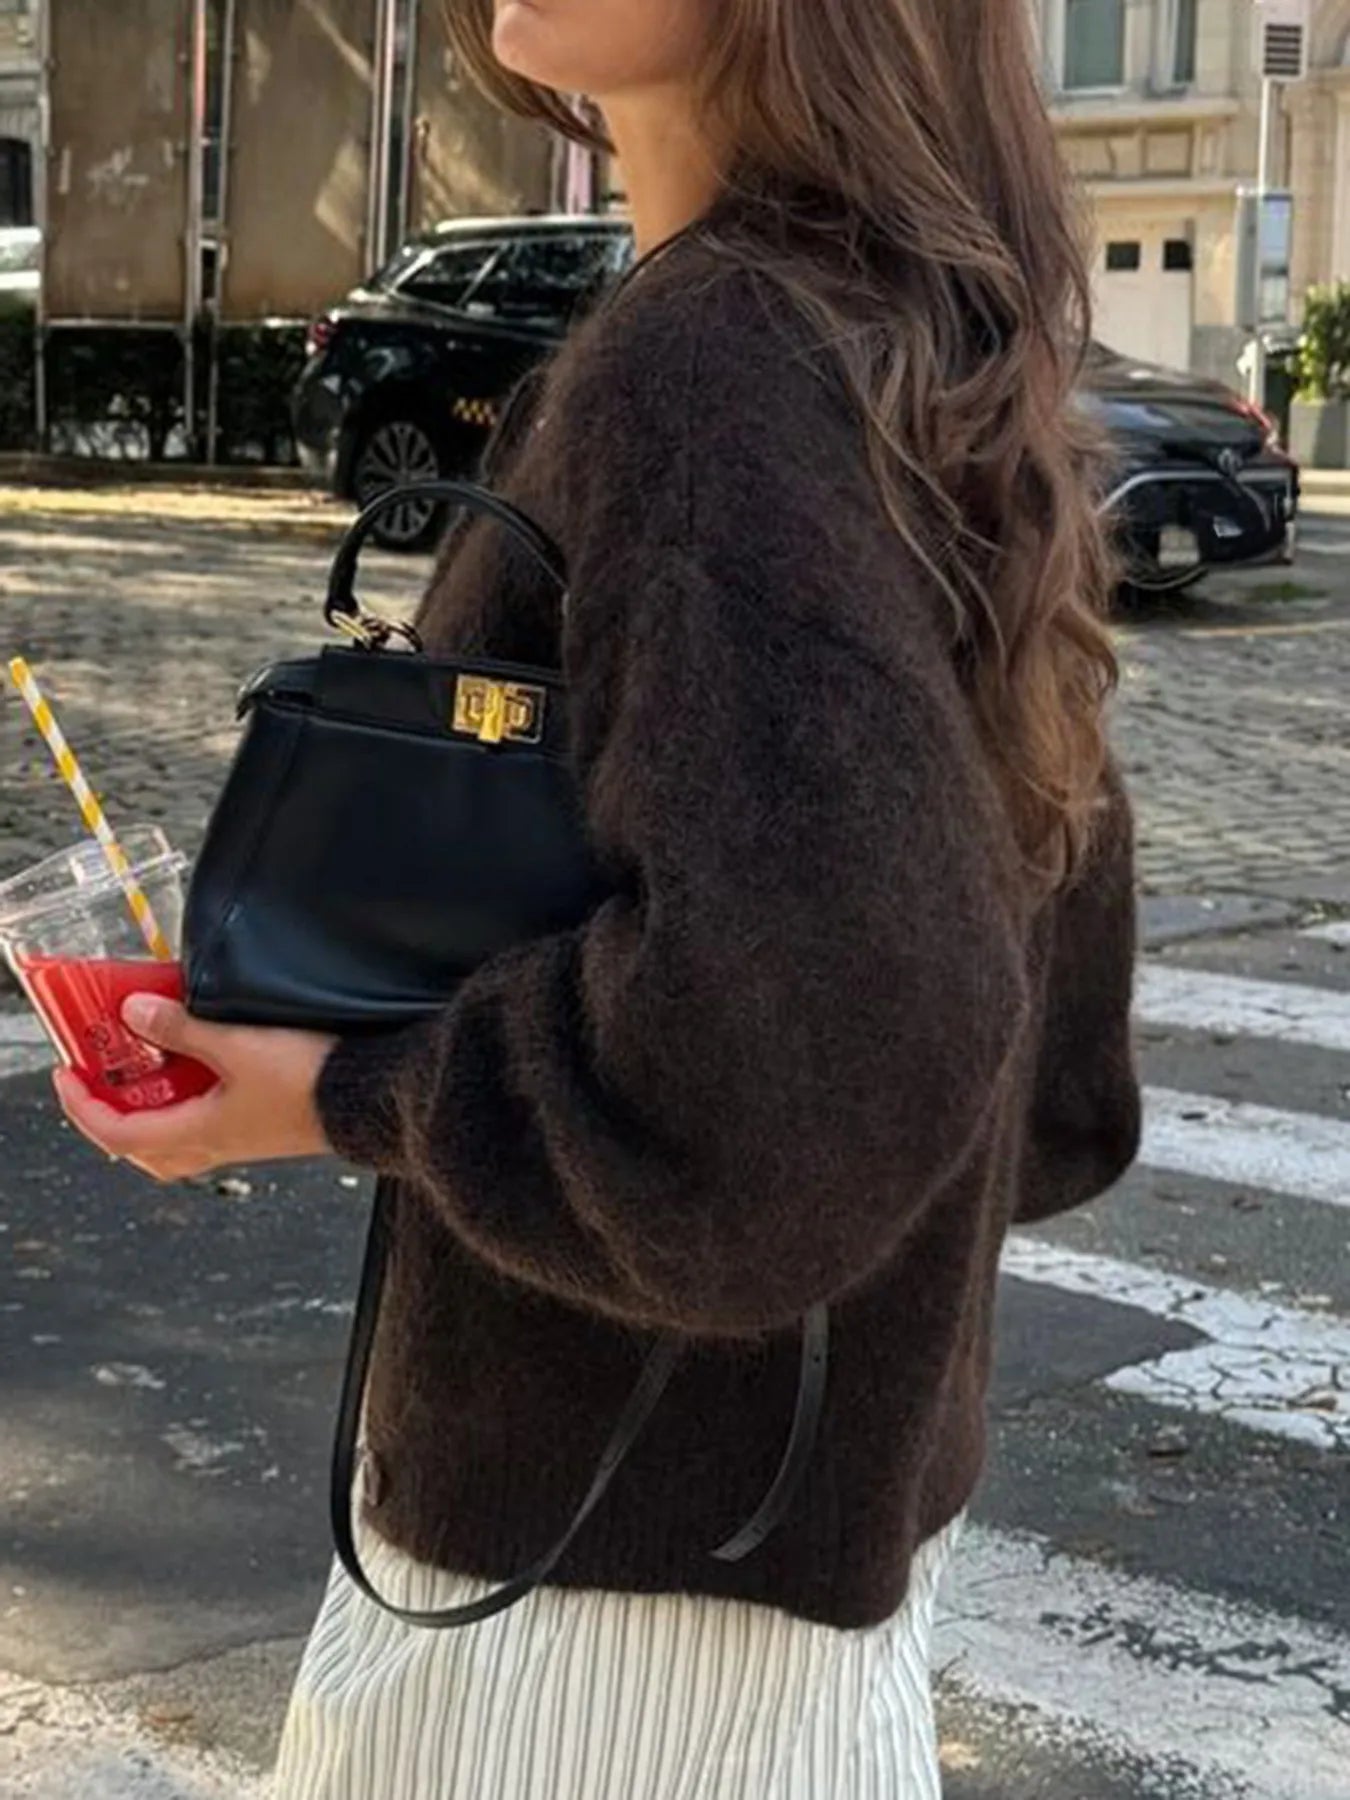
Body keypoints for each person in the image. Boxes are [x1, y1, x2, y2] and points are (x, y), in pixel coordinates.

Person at [54, 0, 1142, 1794]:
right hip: (792, 1560)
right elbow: (1050, 1069)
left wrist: (338, 1097)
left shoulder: (711, 360)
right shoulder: (909, 345)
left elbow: (806, 1069)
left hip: (590, 1622)